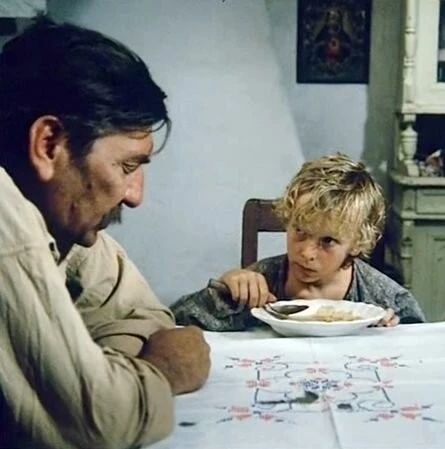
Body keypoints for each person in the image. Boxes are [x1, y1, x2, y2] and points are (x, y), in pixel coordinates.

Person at [0, 18, 210, 449]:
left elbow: (141, 312)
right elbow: (95, 424)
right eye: (127, 166)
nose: (135, 197)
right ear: (49, 145)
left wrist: (104, 371)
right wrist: (162, 370)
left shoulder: (61, 225)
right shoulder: (8, 220)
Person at [171, 153, 426, 331]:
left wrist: (391, 333)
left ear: (357, 243)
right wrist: (224, 288)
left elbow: (419, 349)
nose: (306, 252)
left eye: (327, 241)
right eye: (300, 231)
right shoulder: (261, 283)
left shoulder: (384, 300)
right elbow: (175, 319)